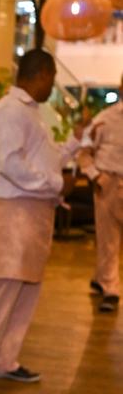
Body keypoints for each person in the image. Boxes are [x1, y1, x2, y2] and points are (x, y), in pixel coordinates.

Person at [0, 49, 82, 394]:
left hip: (34, 211)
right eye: (52, 78)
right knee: (5, 288)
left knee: (27, 290)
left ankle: (4, 360)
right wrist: (56, 184)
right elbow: (11, 166)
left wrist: (73, 144)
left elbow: (44, 160)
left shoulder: (31, 113)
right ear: (41, 74)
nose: (53, 86)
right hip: (14, 211)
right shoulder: (10, 111)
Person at [80, 86, 123, 313]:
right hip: (109, 182)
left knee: (109, 238)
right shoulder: (105, 118)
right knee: (108, 237)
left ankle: (102, 279)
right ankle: (110, 289)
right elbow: (84, 151)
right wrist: (95, 176)